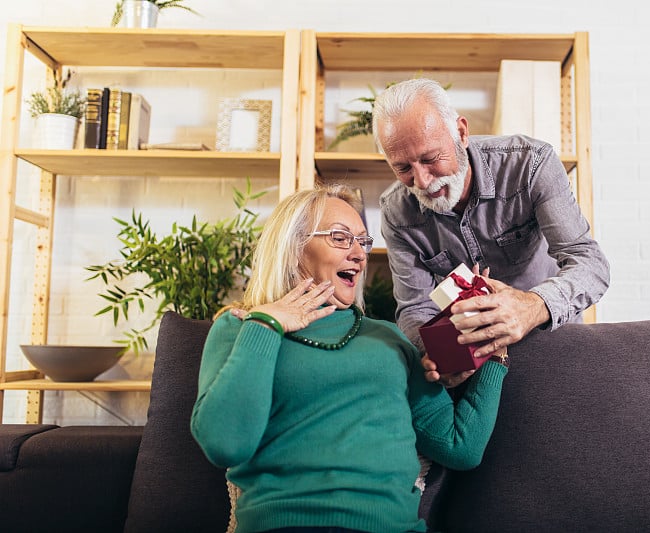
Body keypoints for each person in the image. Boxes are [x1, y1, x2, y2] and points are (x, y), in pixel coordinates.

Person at [190, 184, 509, 533]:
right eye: (341, 238)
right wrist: (267, 324)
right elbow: (224, 444)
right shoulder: (241, 327)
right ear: (293, 247)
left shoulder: (390, 338)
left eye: (363, 241)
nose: (359, 254)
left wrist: (495, 357)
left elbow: (458, 446)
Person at [373, 77, 610, 385]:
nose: (421, 181)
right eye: (402, 168)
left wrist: (532, 307)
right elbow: (414, 308)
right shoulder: (396, 212)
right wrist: (431, 353)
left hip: (551, 338)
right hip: (470, 360)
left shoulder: (531, 165)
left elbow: (590, 264)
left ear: (461, 132)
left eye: (431, 159)